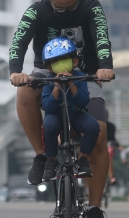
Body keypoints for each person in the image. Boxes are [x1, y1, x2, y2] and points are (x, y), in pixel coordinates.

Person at [9, 0, 114, 218]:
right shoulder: (37, 11)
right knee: (24, 94)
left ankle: (94, 208)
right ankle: (42, 156)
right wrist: (15, 71)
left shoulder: (91, 7)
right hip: (47, 74)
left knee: (100, 134)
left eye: (71, 7)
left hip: (84, 75)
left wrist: (105, 67)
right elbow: (19, 41)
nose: (65, 13)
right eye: (59, 8)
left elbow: (101, 36)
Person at [41, 37, 100, 181]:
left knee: (93, 126)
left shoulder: (80, 77)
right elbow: (48, 106)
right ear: (49, 67)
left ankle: (82, 160)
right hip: (55, 115)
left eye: (64, 59)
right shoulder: (48, 80)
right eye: (55, 61)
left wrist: (71, 83)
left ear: (74, 61)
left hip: (76, 113)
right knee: (48, 126)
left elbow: (83, 102)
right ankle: (51, 161)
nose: (60, 64)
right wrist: (56, 86)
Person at [106, 110, 120, 185]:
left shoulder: (111, 126)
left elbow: (112, 138)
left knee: (108, 155)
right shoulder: (94, 125)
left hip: (109, 145)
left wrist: (119, 146)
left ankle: (111, 176)